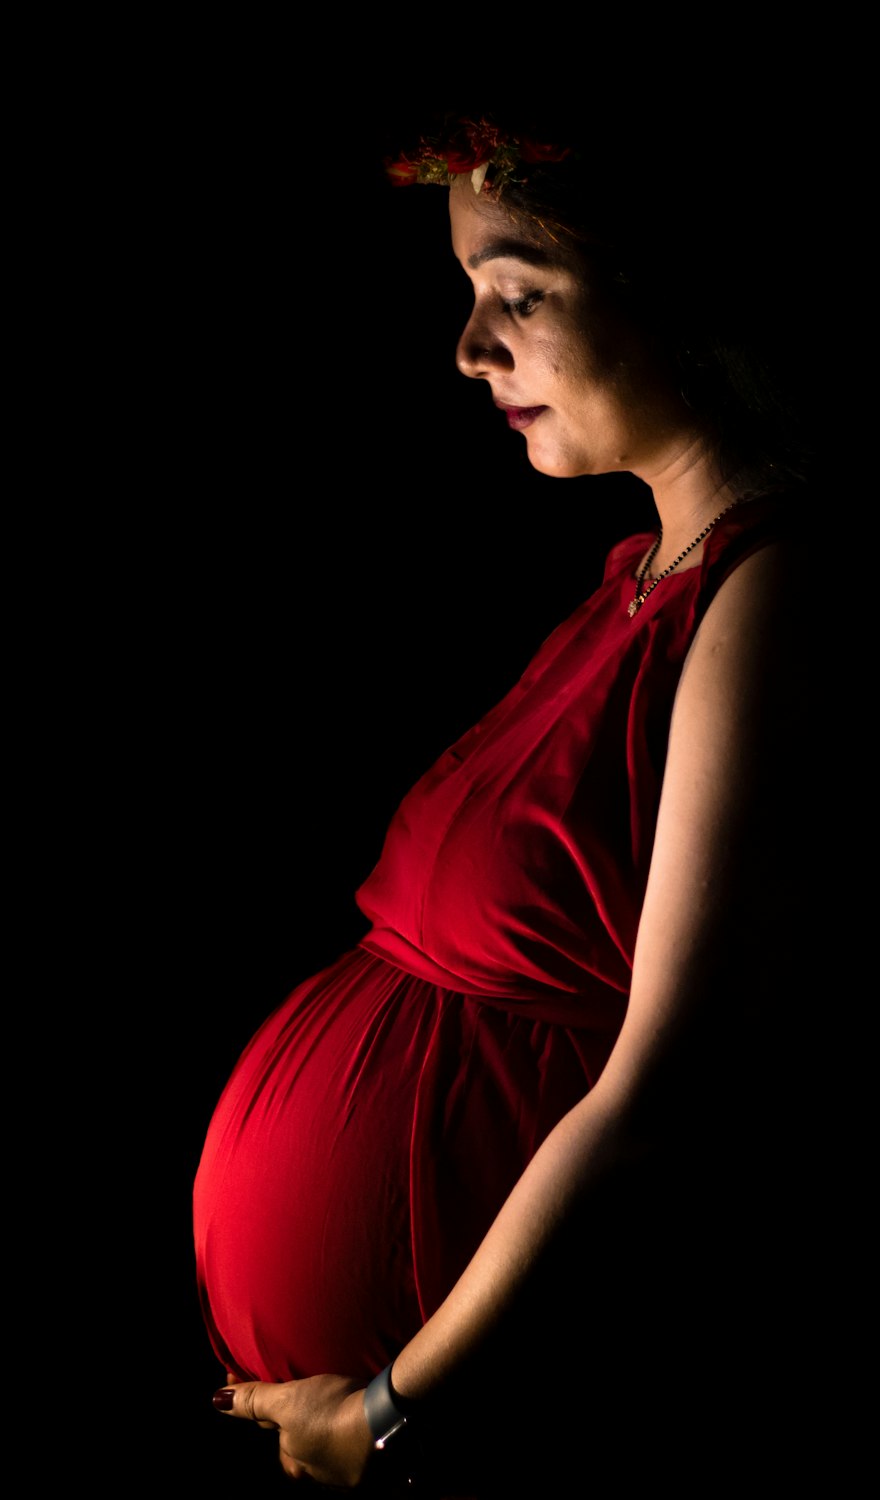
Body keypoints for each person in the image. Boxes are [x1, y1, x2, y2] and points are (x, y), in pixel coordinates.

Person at [193, 116, 824, 1494]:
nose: (473, 351)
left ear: (674, 286)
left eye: (519, 295)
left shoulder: (775, 597)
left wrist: (390, 1414)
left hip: (499, 1421)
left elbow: (679, 1085)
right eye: (473, 299)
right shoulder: (641, 578)